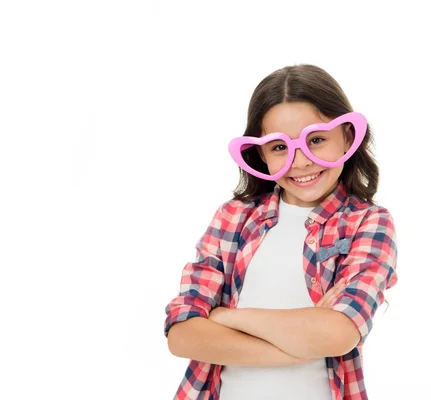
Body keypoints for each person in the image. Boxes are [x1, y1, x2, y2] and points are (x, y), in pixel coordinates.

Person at [163, 64, 398, 400]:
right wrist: (299, 346)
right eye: (279, 147)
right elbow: (183, 335)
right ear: (261, 153)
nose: (299, 162)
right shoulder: (233, 217)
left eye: (316, 140)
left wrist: (224, 317)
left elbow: (339, 333)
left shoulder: (369, 223)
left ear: (347, 135)